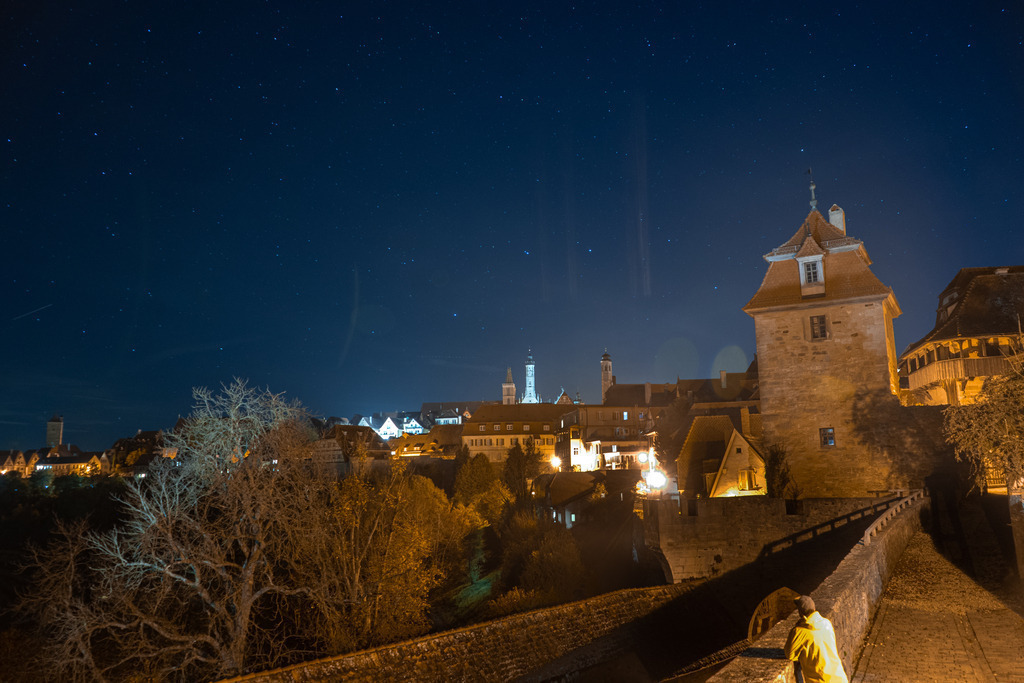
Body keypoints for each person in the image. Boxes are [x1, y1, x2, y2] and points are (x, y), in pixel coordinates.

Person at [783, 595, 849, 683]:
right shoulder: (826, 623)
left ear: (800, 612)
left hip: (820, 680)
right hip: (838, 677)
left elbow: (790, 655)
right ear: (814, 608)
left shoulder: (799, 631)